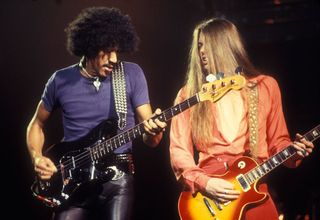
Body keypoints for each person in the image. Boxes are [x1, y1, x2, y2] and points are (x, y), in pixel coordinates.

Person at [26, 6, 166, 220]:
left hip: (118, 179)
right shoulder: (60, 80)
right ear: (89, 46)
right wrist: (36, 157)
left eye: (116, 50)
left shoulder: (131, 74)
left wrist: (154, 130)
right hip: (72, 180)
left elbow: (151, 140)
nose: (113, 59)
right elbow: (36, 125)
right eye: (106, 51)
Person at [169, 18, 314, 219]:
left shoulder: (265, 86)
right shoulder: (189, 95)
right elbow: (179, 151)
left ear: (225, 45)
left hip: (255, 189)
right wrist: (205, 182)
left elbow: (278, 142)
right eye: (199, 46)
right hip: (210, 197)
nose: (201, 52)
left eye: (207, 45)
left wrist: (294, 152)